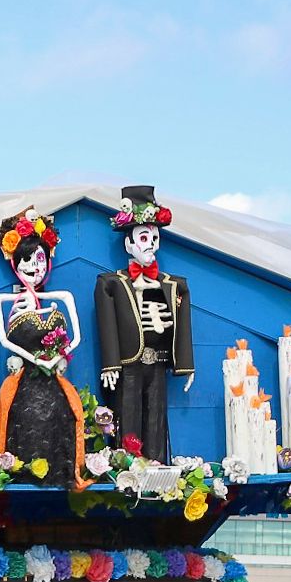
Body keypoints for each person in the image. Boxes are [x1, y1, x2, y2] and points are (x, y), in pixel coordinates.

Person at [0, 208, 87, 488]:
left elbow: (76, 338)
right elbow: (5, 340)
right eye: (28, 260)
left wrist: (55, 356)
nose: (35, 266)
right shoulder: (3, 301)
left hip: (52, 379)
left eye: (40, 260)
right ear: (15, 263)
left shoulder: (62, 297)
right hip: (27, 381)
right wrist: (34, 357)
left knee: (62, 418)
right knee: (25, 421)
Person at [96, 185, 194, 463]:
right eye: (143, 237)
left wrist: (185, 364)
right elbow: (107, 325)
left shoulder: (173, 284)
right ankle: (127, 463)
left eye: (154, 237)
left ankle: (157, 463)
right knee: (128, 415)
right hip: (129, 364)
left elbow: (183, 323)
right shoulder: (111, 283)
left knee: (156, 418)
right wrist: (110, 364)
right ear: (129, 244)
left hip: (159, 362)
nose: (149, 244)